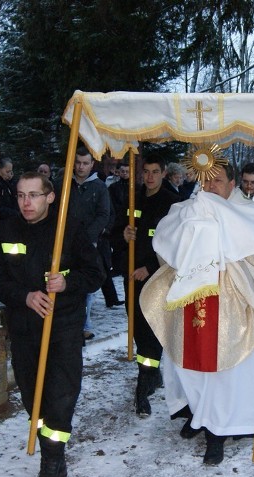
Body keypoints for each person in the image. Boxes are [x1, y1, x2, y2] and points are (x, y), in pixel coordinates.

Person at [0, 172, 104, 477]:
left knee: (60, 397)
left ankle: (50, 471)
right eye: (21, 195)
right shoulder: (7, 230)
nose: (26, 202)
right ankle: (55, 456)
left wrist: (67, 284)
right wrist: (23, 295)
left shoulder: (71, 229)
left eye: (34, 195)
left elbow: (94, 273)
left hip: (63, 327)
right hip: (24, 330)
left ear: (50, 197)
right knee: (32, 400)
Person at [141, 162, 254, 466]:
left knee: (226, 369)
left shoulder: (248, 214)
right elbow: (167, 243)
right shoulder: (187, 208)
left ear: (233, 184)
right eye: (206, 181)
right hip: (191, 298)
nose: (211, 186)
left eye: (218, 181)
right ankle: (200, 414)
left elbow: (252, 259)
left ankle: (220, 430)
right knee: (189, 363)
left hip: (231, 304)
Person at [112, 154, 181, 415]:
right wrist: (123, 234)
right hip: (132, 277)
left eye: (155, 171)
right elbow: (115, 232)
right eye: (146, 172)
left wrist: (150, 267)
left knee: (151, 331)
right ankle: (151, 373)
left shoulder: (172, 204)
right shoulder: (133, 199)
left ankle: (142, 390)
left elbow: (174, 245)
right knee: (137, 328)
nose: (150, 177)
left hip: (158, 278)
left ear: (164, 173)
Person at [57, 147, 111, 340]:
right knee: (65, 280)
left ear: (91, 164)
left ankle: (85, 324)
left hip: (88, 243)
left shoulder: (99, 187)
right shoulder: (63, 184)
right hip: (63, 242)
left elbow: (103, 215)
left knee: (87, 283)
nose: (81, 167)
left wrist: (88, 237)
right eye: (78, 162)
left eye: (85, 163)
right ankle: (67, 321)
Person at [0, 156, 19, 222]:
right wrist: (16, 213)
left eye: (11, 172)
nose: (9, 175)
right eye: (7, 172)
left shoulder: (7, 183)